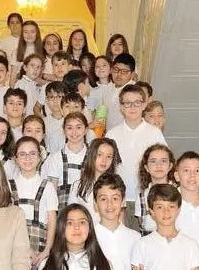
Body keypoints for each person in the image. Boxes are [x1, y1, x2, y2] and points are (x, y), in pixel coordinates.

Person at [105, 84, 166, 225]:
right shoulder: (112, 134)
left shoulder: (154, 133)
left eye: (137, 103)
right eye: (127, 103)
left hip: (147, 198)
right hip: (119, 200)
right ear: (120, 107)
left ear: (144, 105)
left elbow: (164, 165)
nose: (132, 107)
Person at [9, 137, 58, 270]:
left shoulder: (48, 186)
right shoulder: (9, 186)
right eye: (22, 154)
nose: (27, 158)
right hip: (14, 245)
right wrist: (24, 247)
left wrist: (47, 250)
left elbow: (52, 220)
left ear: (40, 157)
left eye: (32, 154)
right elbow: (7, 221)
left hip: (41, 247)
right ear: (15, 159)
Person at [41, 112, 89, 207]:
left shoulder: (94, 155)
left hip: (88, 206)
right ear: (64, 130)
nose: (74, 132)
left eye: (78, 127)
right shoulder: (55, 157)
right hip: (63, 208)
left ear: (86, 130)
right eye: (69, 128)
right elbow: (52, 190)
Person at [70, 137, 120, 225]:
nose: (104, 160)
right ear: (92, 155)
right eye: (99, 155)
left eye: (109, 156)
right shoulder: (78, 186)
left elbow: (121, 217)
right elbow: (72, 216)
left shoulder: (117, 185)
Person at [135, 143, 175, 236]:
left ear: (170, 166)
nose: (158, 165)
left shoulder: (179, 192)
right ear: (146, 168)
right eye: (153, 161)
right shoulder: (142, 196)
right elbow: (143, 225)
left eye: (163, 161)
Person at [102, 53, 138, 131]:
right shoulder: (108, 88)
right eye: (116, 70)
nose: (118, 74)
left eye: (124, 71)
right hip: (110, 135)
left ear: (132, 74)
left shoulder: (136, 91)